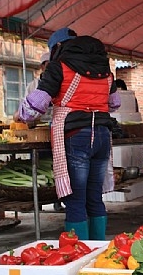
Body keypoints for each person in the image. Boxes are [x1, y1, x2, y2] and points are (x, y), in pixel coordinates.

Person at [16, 27, 115, 241]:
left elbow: (37, 104)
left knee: (75, 198)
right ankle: (99, 252)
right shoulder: (105, 70)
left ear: (58, 48)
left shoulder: (59, 67)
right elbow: (114, 103)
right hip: (102, 135)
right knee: (94, 196)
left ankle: (79, 255)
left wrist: (21, 115)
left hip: (76, 136)